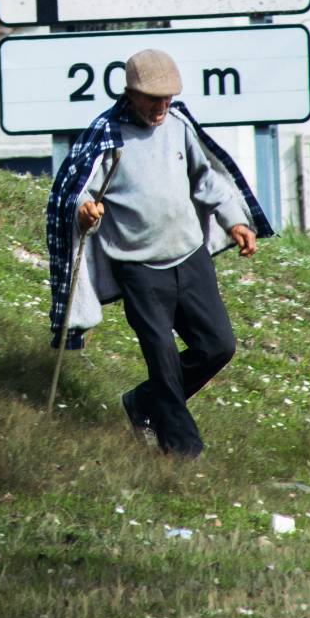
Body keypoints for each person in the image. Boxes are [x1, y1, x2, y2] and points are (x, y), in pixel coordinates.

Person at [46, 48, 273, 458]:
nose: (161, 107)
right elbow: (76, 194)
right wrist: (84, 211)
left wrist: (234, 221)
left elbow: (206, 178)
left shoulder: (178, 123)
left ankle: (142, 402)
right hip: (139, 269)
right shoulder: (106, 135)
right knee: (163, 360)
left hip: (189, 256)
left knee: (218, 346)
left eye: (167, 98)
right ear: (130, 93)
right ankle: (184, 453)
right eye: (153, 99)